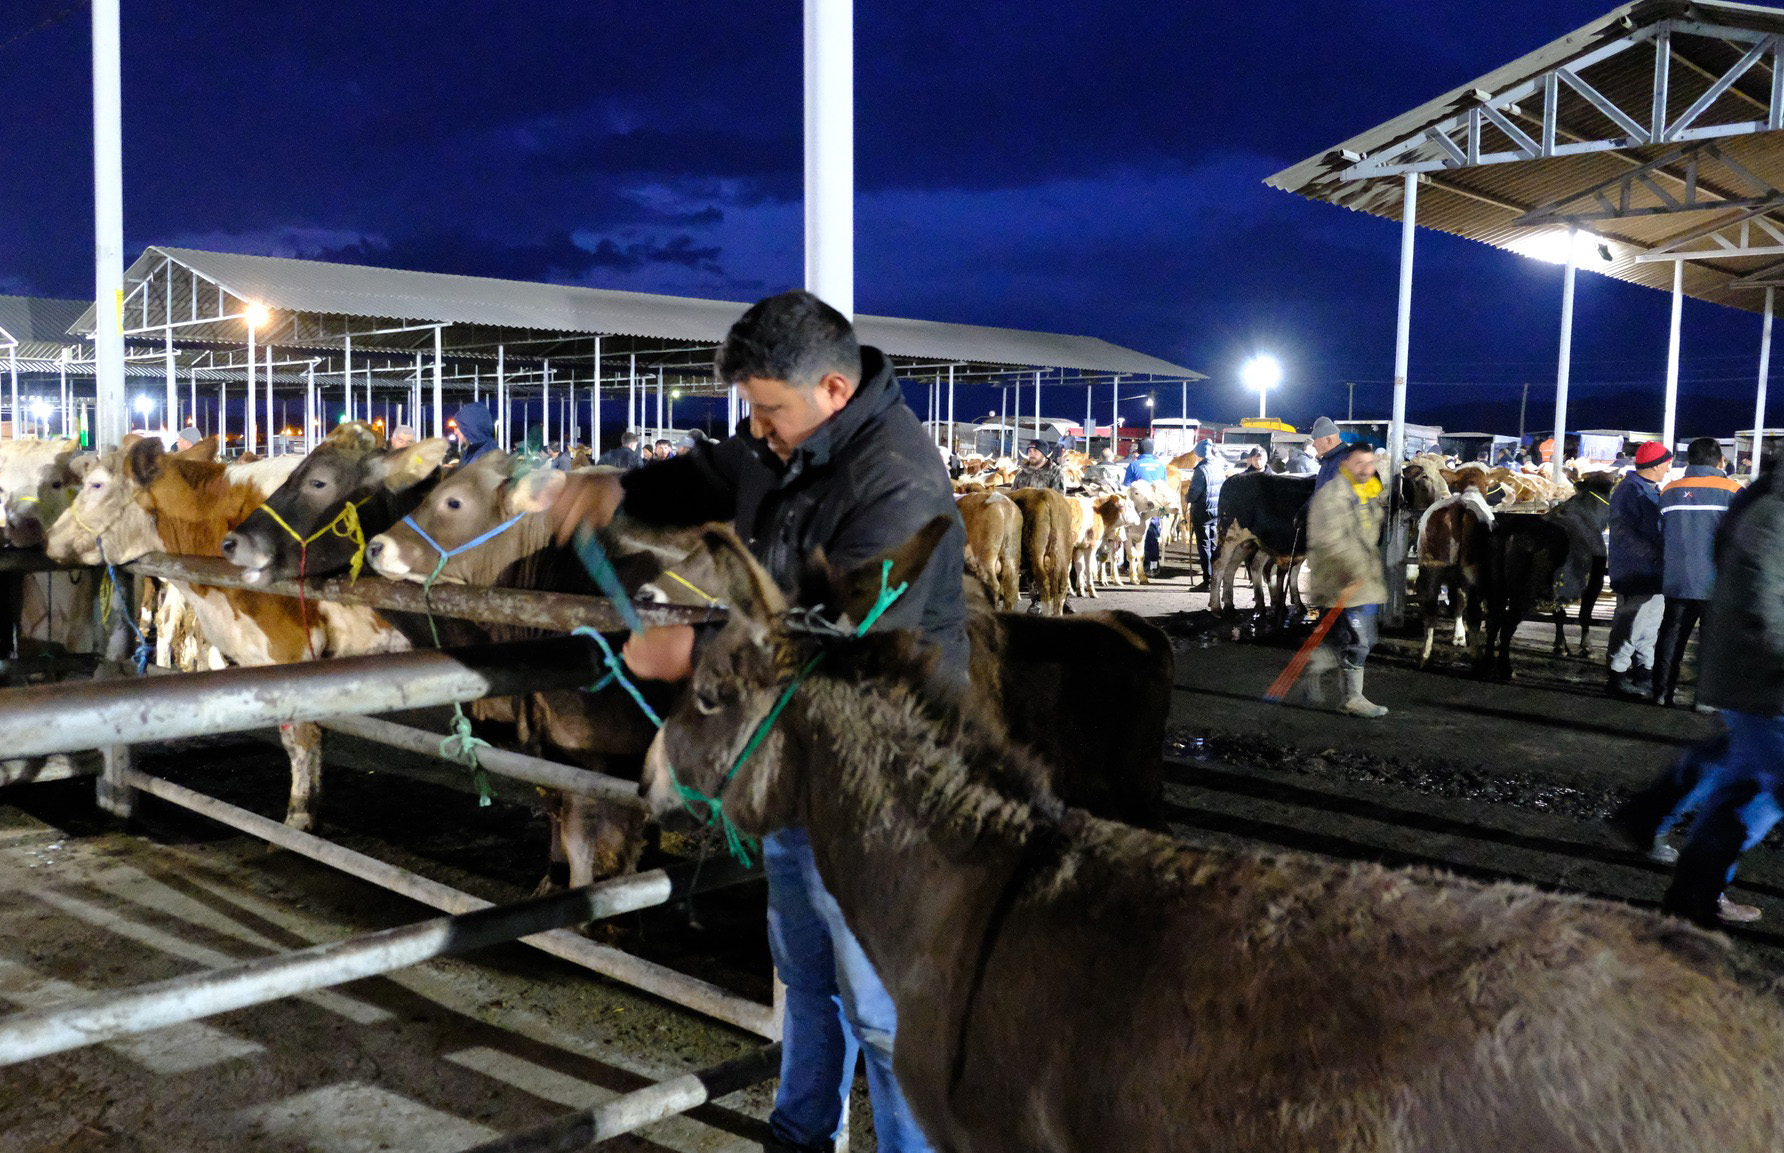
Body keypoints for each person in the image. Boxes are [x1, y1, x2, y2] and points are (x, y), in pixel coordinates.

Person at [555, 290, 962, 1153]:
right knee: (807, 981)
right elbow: (708, 475)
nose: (758, 426)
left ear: (833, 392)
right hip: (790, 779)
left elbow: (846, 636)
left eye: (769, 408)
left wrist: (689, 652)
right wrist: (610, 491)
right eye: (752, 407)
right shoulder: (784, 444)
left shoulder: (899, 480)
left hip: (877, 790)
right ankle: (800, 1133)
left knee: (885, 1011)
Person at [1651, 467, 1784, 928]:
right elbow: (1763, 600)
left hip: (1746, 667)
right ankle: (1692, 891)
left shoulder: (1754, 501)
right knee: (1754, 788)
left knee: (1747, 783)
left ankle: (1691, 886)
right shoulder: (1771, 515)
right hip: (1764, 678)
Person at [1652, 437, 1741, 708]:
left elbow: (1660, 532)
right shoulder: (1733, 491)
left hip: (1677, 578)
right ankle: (1704, 699)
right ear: (1720, 460)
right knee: (1712, 641)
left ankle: (1661, 692)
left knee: (1671, 636)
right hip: (1716, 582)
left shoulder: (1669, 490)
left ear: (1689, 460)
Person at [1304, 441, 1389, 718]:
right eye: (1359, 463)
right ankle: (1351, 699)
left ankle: (1316, 666)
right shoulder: (1332, 497)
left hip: (1363, 582)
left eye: (1370, 463)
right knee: (1359, 640)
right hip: (1340, 580)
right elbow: (1331, 541)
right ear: (1345, 465)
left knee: (1357, 637)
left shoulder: (1366, 494)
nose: (1366, 469)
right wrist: (1357, 570)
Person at [1605, 441, 1671, 698]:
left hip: (1651, 571)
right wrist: (1654, 555)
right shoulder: (1630, 491)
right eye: (1666, 463)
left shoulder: (1647, 488)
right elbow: (1622, 533)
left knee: (1649, 624)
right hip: (1636, 571)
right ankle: (1617, 675)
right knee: (1630, 624)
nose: (1668, 467)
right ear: (1654, 466)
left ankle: (1643, 671)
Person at [1123, 437, 1169, 577]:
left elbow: (1127, 486)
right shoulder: (1161, 466)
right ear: (1152, 450)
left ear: (1140, 449)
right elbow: (1164, 487)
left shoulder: (1134, 465)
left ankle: (1129, 565)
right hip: (1155, 506)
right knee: (1152, 535)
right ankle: (1154, 566)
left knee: (1131, 534)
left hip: (1138, 507)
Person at [1185, 439, 1217, 590]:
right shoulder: (1217, 466)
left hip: (1202, 511)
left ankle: (1208, 580)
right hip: (1216, 511)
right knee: (1214, 544)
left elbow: (1194, 494)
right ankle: (1217, 578)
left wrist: (1187, 497)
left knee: (1204, 544)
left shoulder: (1201, 469)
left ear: (1198, 454)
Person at [1309, 416, 1346, 489]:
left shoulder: (1346, 460)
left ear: (1329, 440)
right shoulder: (1329, 461)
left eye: (1315, 440)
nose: (1313, 445)